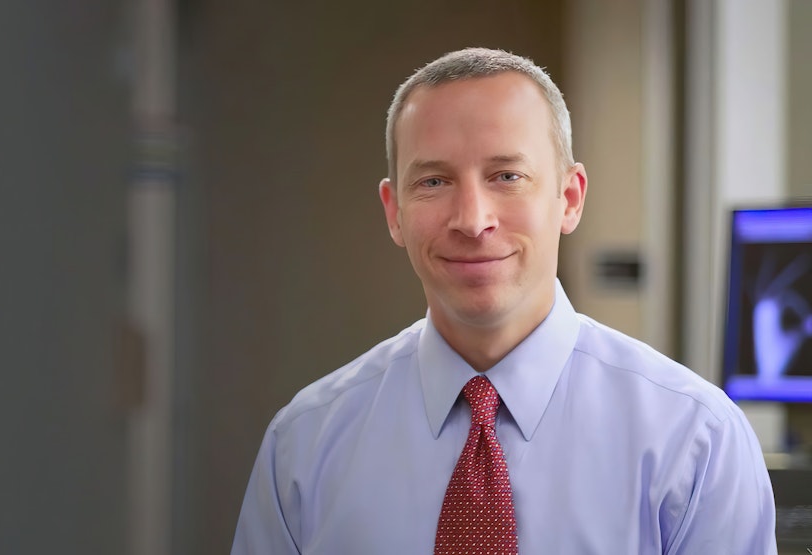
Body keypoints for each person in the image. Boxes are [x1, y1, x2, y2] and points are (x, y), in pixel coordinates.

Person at [231, 47, 776, 554]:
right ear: (394, 212)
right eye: (434, 182)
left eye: (507, 176)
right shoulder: (302, 448)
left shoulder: (694, 442)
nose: (472, 220)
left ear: (569, 198)